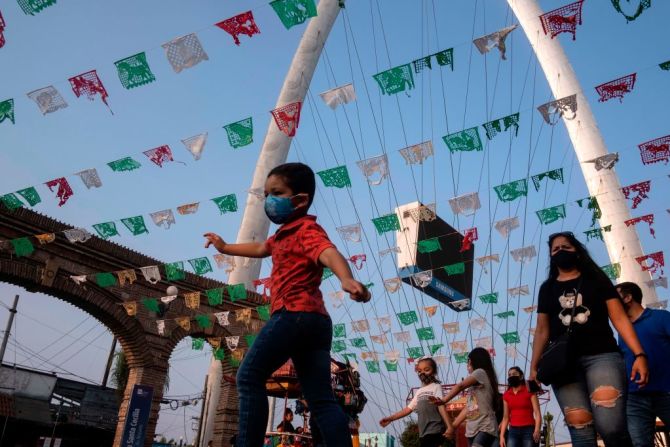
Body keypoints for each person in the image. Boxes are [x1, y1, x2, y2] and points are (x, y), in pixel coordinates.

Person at [204, 162, 370, 447]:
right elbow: (259, 248)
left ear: (300, 200)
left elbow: (329, 253)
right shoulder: (282, 234)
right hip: (317, 324)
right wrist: (225, 247)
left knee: (248, 377)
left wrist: (346, 278)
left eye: (276, 193)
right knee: (319, 398)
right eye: (266, 194)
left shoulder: (306, 229)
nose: (268, 200)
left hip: (293, 315)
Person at [529, 232, 649, 447]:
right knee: (580, 428)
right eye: (555, 249)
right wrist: (533, 367)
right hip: (563, 365)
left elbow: (619, 318)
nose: (560, 252)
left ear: (576, 250)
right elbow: (541, 331)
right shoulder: (547, 289)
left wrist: (639, 354)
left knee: (611, 427)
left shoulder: (597, 279)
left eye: (565, 247)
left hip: (601, 356)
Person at [617, 281, 670, 447]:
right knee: (640, 443)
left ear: (627, 298)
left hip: (665, 391)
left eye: (615, 297)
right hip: (635, 396)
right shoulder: (622, 331)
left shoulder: (661, 318)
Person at [433, 347, 499, 447]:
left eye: (468, 362)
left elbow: (460, 386)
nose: (467, 366)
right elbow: (469, 408)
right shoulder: (475, 387)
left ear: (473, 361)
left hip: (485, 427)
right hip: (471, 430)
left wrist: (444, 400)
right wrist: (453, 426)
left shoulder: (480, 372)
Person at [379, 357, 452, 447]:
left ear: (434, 371)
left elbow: (441, 407)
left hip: (435, 429)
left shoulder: (436, 387)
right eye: (420, 371)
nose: (423, 373)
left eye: (427, 370)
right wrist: (391, 418)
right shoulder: (419, 392)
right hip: (423, 433)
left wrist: (449, 426)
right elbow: (408, 409)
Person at [499, 367, 541, 447]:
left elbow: (537, 412)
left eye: (514, 374)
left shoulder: (529, 391)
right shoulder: (506, 395)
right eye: (509, 375)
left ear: (521, 376)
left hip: (529, 429)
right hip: (513, 430)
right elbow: (505, 417)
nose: (511, 376)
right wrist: (501, 436)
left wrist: (537, 429)